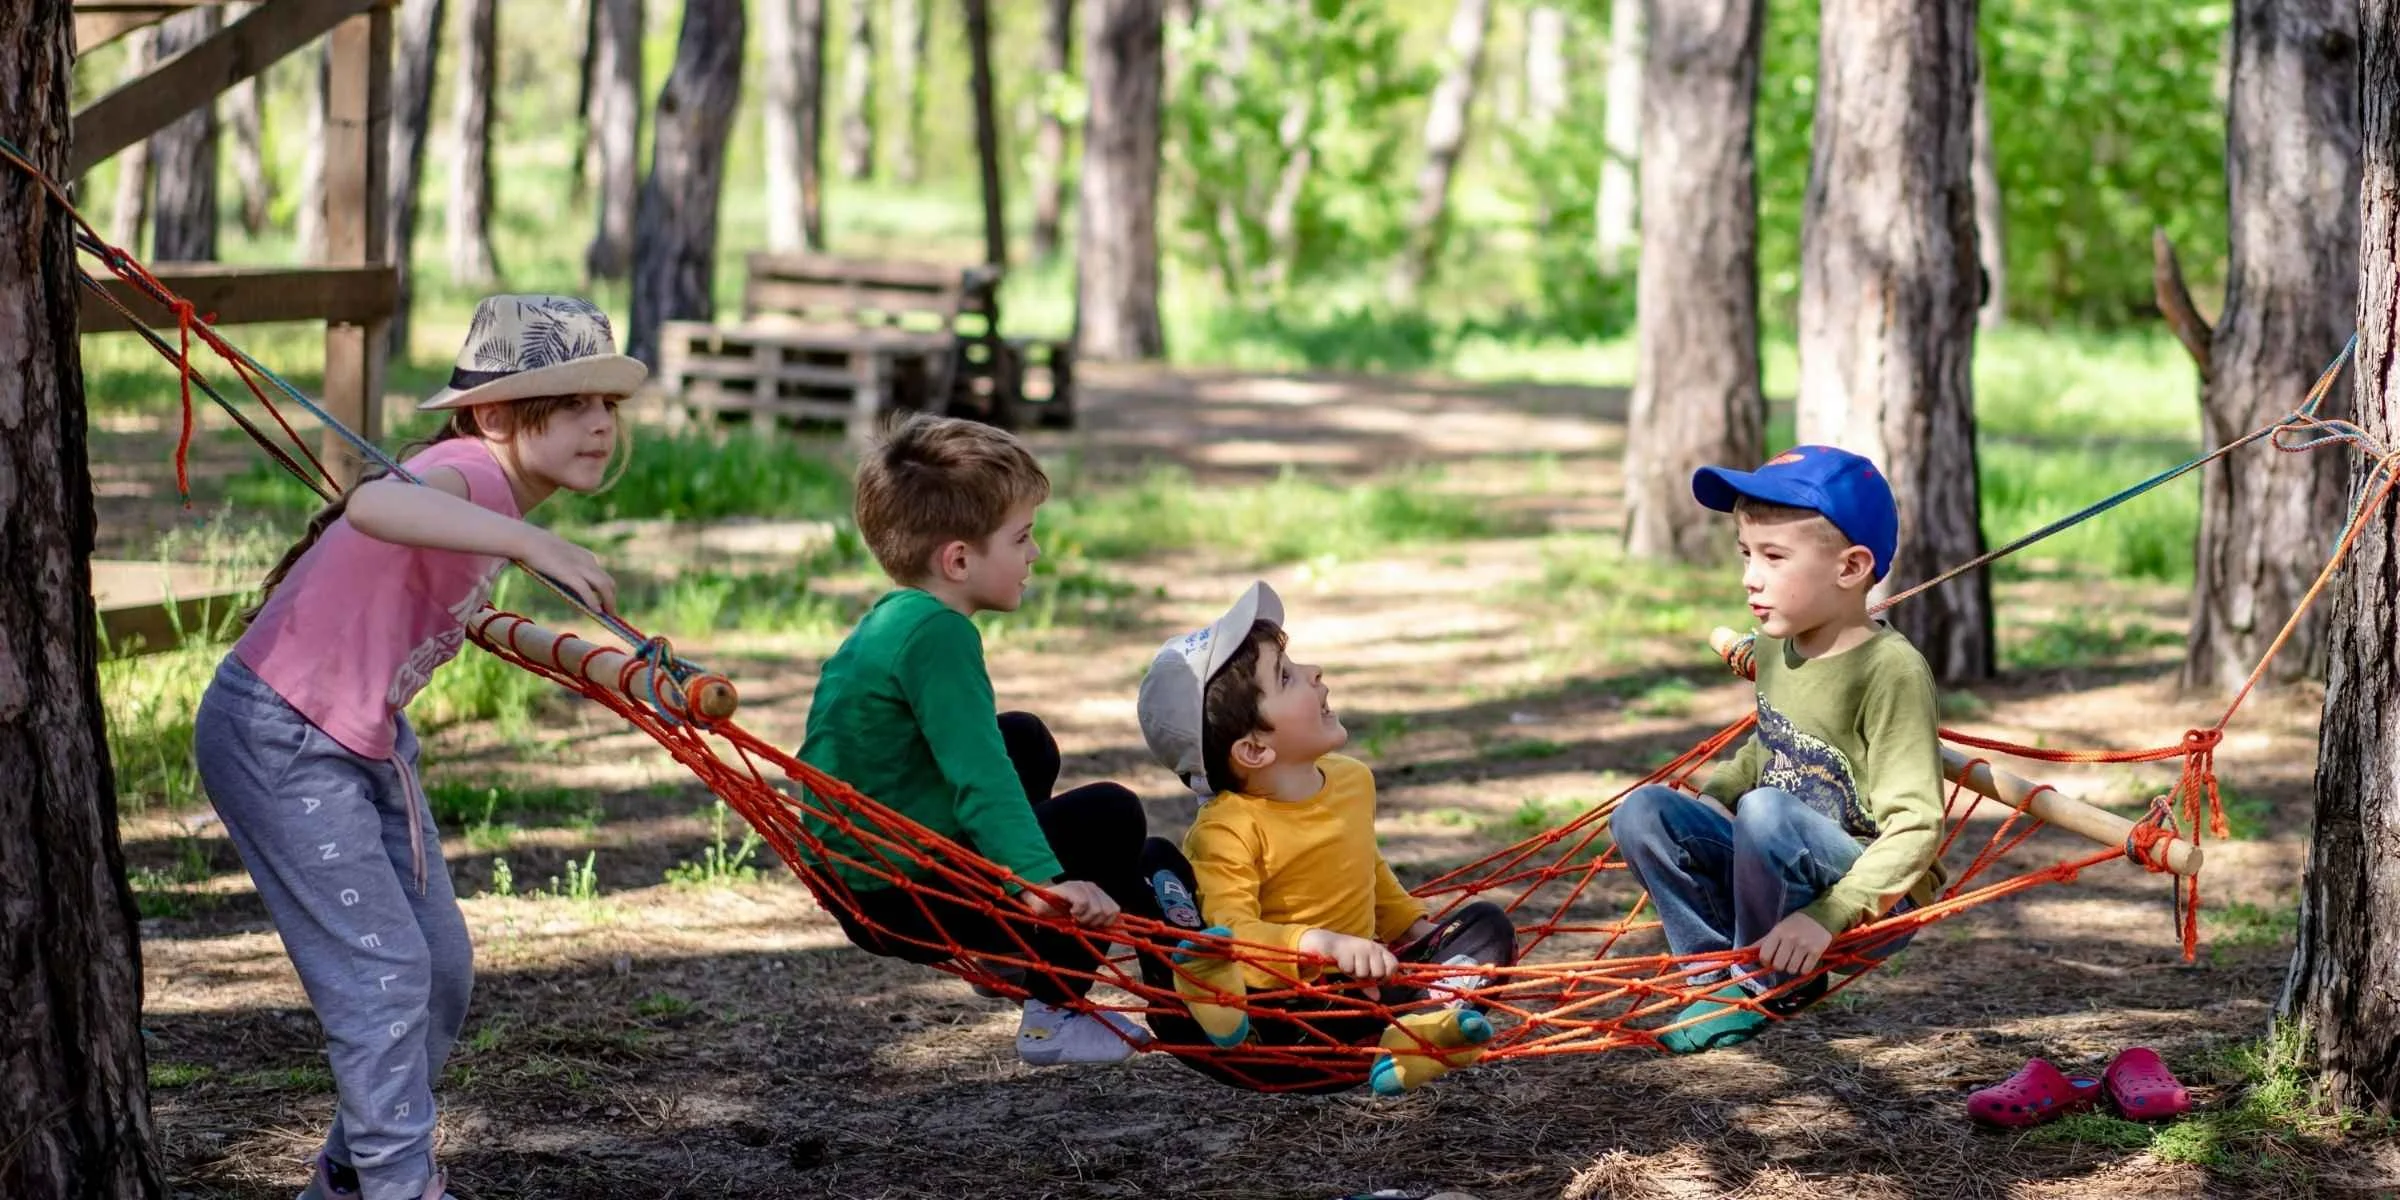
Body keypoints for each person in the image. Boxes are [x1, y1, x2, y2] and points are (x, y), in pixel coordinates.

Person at [195, 295, 642, 1200]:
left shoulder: (487, 495)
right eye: (569, 403)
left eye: (607, 404)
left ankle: (352, 1179)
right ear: (491, 415)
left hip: (361, 744)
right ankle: (401, 1188)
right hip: (282, 736)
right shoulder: (467, 475)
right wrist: (530, 543)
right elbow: (374, 507)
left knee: (439, 970)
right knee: (386, 976)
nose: (599, 423)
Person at [796, 413, 1193, 1069]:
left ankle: (1004, 947)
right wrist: (1043, 887)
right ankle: (1056, 1011)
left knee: (1026, 739)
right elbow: (980, 779)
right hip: (900, 896)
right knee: (1111, 814)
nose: (1034, 553)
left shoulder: (896, 616)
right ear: (958, 558)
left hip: (858, 868)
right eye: (1022, 538)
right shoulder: (941, 638)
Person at [1610, 445, 1946, 1054]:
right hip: (1777, 858)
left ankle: (1762, 984)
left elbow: (1916, 827)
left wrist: (1829, 915)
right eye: (1746, 554)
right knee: (1643, 811)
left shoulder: (1891, 672)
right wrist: (1713, 802)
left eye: (1773, 556)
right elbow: (1771, 744)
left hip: (1869, 900)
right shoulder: (1777, 645)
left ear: (1851, 568)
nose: (1749, 577)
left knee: (1765, 811)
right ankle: (1712, 979)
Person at [1136, 582, 1518, 1094]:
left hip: (1366, 995)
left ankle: (1421, 1030)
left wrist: (1412, 928)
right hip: (1282, 1023)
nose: (1314, 673)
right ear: (1254, 750)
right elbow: (1233, 936)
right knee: (1152, 863)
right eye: (1286, 677)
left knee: (1485, 926)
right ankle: (1404, 1032)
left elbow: (1365, 865)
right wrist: (1321, 945)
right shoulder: (1228, 827)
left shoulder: (1350, 779)